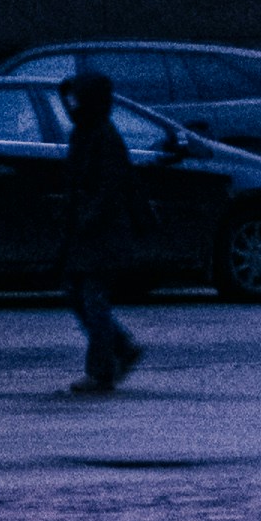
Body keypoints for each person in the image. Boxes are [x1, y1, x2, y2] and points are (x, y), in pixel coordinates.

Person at [56, 58, 145, 388]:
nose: (73, 104)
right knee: (80, 294)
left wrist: (86, 219)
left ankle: (101, 370)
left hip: (101, 232)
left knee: (91, 297)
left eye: (80, 98)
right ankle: (120, 347)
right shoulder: (87, 132)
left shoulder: (101, 136)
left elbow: (109, 188)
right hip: (91, 230)